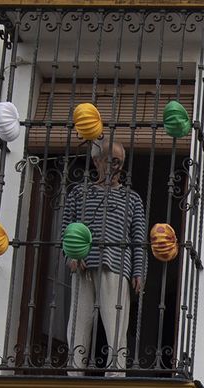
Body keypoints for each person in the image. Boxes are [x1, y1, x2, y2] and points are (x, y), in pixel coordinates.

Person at [62, 138, 147, 375]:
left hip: (117, 266)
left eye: (119, 162)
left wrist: (139, 271)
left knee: (116, 326)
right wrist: (70, 256)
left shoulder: (133, 199)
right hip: (83, 264)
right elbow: (66, 230)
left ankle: (116, 375)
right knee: (78, 324)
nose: (115, 166)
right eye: (110, 160)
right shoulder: (79, 193)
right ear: (96, 161)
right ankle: (74, 374)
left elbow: (138, 239)